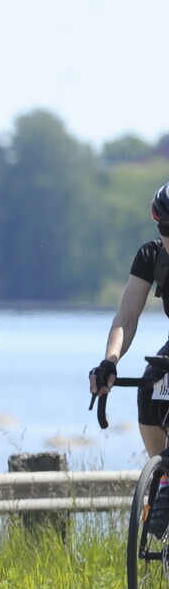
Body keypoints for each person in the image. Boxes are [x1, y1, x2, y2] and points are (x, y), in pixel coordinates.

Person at [89, 183, 169, 529]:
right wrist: (110, 361)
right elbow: (126, 319)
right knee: (150, 387)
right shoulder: (151, 256)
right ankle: (163, 477)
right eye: (166, 228)